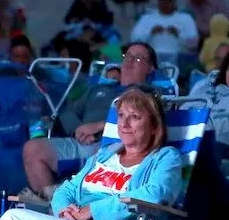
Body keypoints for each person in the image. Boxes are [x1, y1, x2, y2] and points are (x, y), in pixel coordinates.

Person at [0, 88, 181, 220]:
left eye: (135, 117)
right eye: (121, 115)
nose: (124, 124)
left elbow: (154, 194)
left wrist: (92, 211)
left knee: (13, 219)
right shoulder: (106, 154)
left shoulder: (165, 157)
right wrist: (64, 210)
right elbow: (67, 189)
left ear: (155, 126)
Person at [21, 42, 158, 198]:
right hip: (81, 141)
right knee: (32, 148)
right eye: (127, 56)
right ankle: (52, 204)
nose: (130, 61)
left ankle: (59, 204)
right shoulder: (100, 89)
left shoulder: (148, 93)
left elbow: (144, 124)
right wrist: (80, 129)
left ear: (150, 68)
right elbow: (68, 112)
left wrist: (99, 127)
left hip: (113, 148)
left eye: (138, 58)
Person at [130, 0, 198, 66]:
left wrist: (179, 34)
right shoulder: (147, 18)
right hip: (152, 57)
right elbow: (134, 39)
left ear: (174, 2)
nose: (164, 3)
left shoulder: (185, 18)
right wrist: (150, 33)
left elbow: (194, 43)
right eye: (162, 0)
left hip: (179, 58)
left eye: (168, 1)